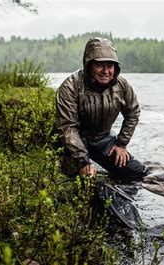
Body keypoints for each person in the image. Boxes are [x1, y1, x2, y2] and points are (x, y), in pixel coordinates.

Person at [55, 37, 146, 180]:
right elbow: (68, 128)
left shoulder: (122, 85)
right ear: (89, 65)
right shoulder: (70, 86)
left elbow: (133, 112)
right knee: (78, 177)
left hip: (103, 140)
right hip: (72, 141)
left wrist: (121, 144)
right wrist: (83, 161)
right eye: (100, 65)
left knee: (138, 172)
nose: (106, 71)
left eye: (110, 66)